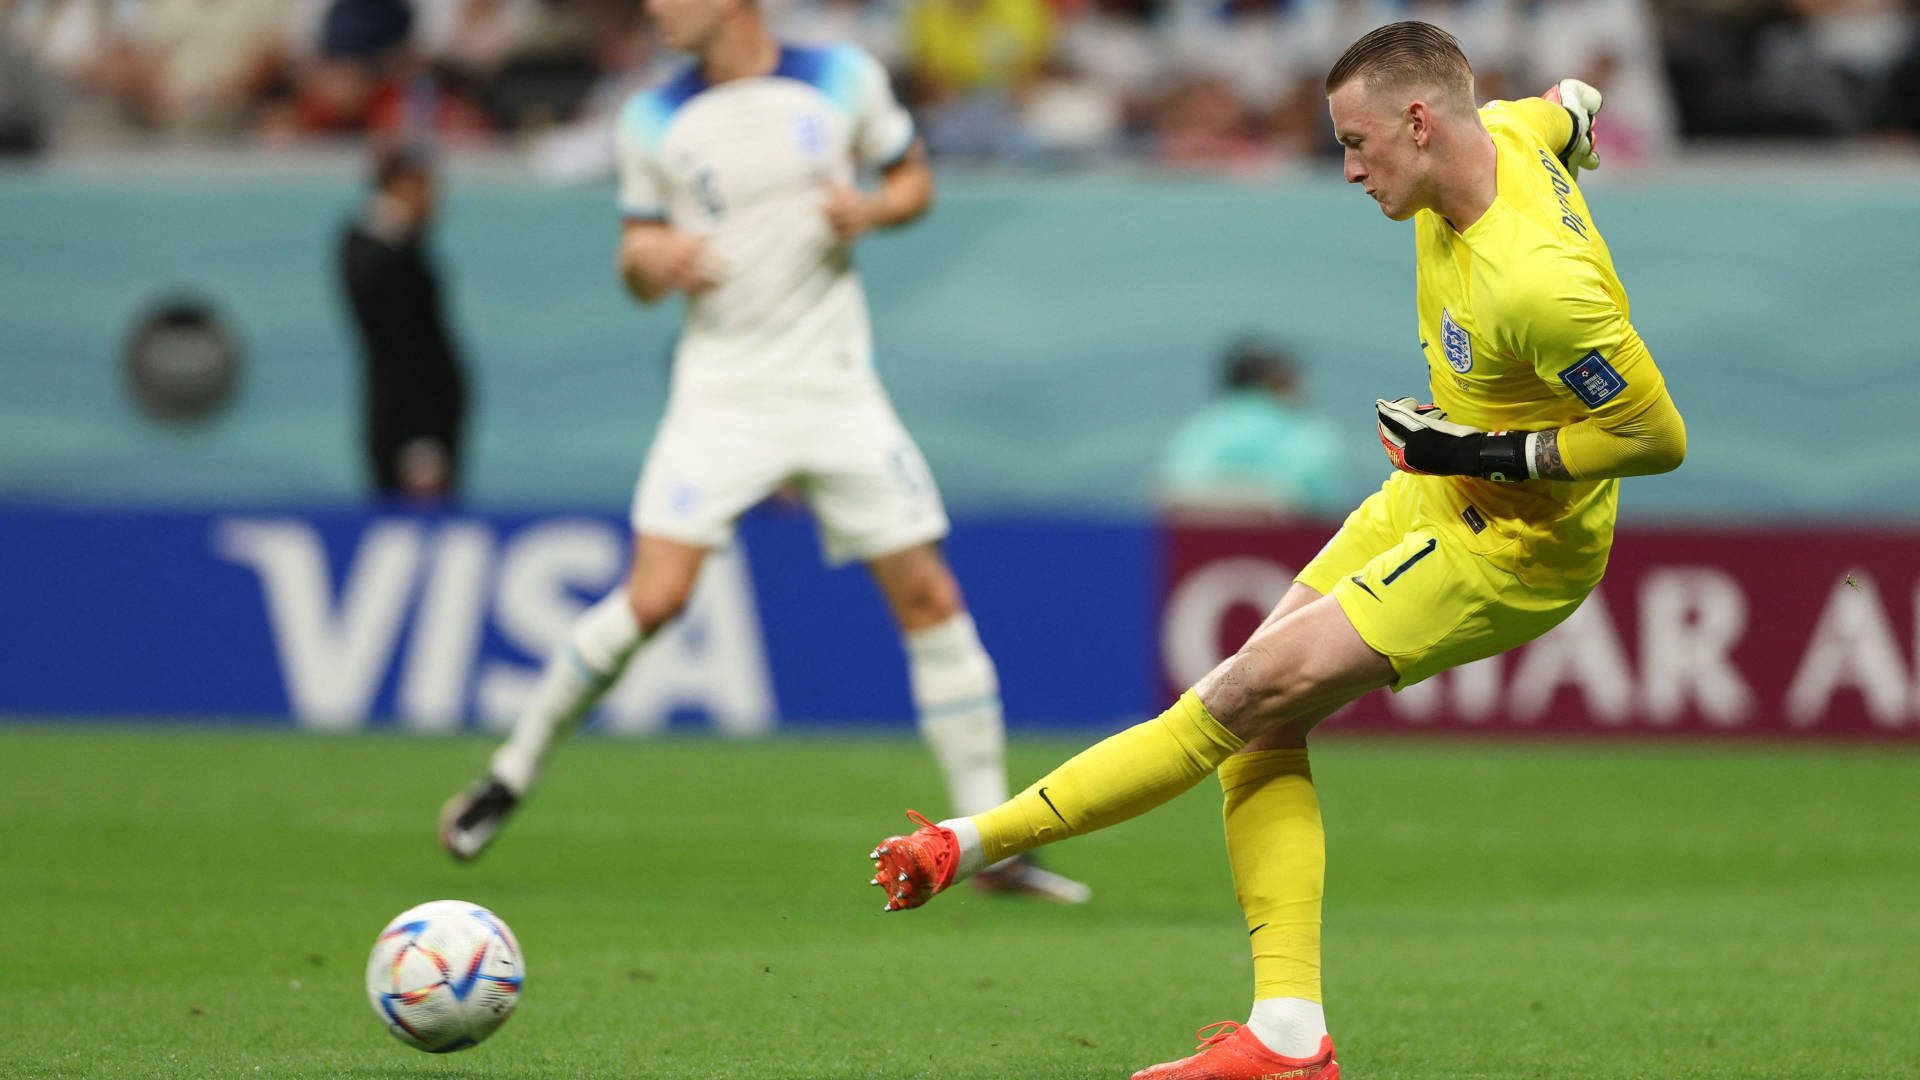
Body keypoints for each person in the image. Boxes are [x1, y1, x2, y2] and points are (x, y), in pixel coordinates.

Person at [866, 21, 1686, 1079]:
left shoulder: (1538, 283)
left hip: (1511, 544)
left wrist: (1481, 445)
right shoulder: (1508, 135)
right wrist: (1578, 109)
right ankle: (1289, 1034)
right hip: (1430, 496)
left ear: (1421, 122)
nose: (1348, 168)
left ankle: (971, 843)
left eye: (1357, 142)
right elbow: (1562, 108)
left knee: (1238, 694)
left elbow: (1653, 438)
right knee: (1258, 729)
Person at [438, 0, 1088, 905]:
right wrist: (653, 257)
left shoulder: (841, 77)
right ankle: (509, 774)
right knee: (655, 597)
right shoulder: (652, 115)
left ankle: (990, 846)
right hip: (722, 392)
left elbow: (914, 184)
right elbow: (633, 259)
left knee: (930, 597)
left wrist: (871, 208)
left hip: (834, 387)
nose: (655, 9)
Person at [339, 145, 470, 499]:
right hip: (411, 426)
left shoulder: (401, 247)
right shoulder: (380, 252)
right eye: (427, 188)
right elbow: (403, 347)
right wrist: (419, 438)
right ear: (402, 185)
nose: (435, 201)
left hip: (417, 421)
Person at [1156, 337, 1349, 520]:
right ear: (1279, 379)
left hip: (1190, 550)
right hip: (1293, 551)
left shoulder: (1201, 429)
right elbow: (1326, 503)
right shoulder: (1307, 433)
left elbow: (1168, 491)